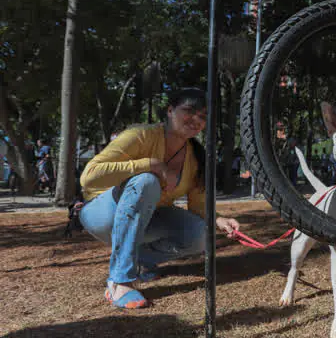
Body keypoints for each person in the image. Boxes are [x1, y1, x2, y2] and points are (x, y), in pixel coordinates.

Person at [78, 87, 241, 309]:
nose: (196, 119)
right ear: (170, 110)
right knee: (146, 181)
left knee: (202, 234)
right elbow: (89, 178)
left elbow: (198, 205)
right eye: (189, 111)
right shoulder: (141, 135)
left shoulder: (197, 157)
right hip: (102, 213)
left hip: (147, 217)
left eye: (203, 117)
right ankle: (119, 281)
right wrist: (153, 165)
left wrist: (219, 220)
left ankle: (143, 262)